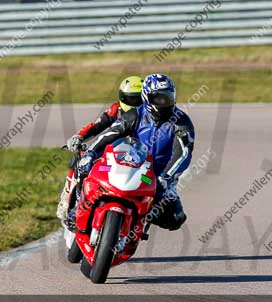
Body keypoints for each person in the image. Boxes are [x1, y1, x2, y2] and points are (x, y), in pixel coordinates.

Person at [79, 74, 194, 231]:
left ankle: (139, 223)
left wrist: (166, 177)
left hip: (160, 176)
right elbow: (110, 134)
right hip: (130, 165)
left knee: (175, 219)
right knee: (92, 176)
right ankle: (79, 212)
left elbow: (183, 154)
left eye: (168, 98)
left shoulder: (181, 121)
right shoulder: (136, 114)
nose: (164, 102)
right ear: (147, 96)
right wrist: (90, 153)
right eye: (159, 98)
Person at [58, 76, 144, 227]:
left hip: (135, 155)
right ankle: (71, 201)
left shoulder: (148, 116)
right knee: (81, 160)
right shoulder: (115, 110)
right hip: (111, 151)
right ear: (123, 98)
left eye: (141, 100)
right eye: (133, 99)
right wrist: (79, 136)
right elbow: (97, 126)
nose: (137, 104)